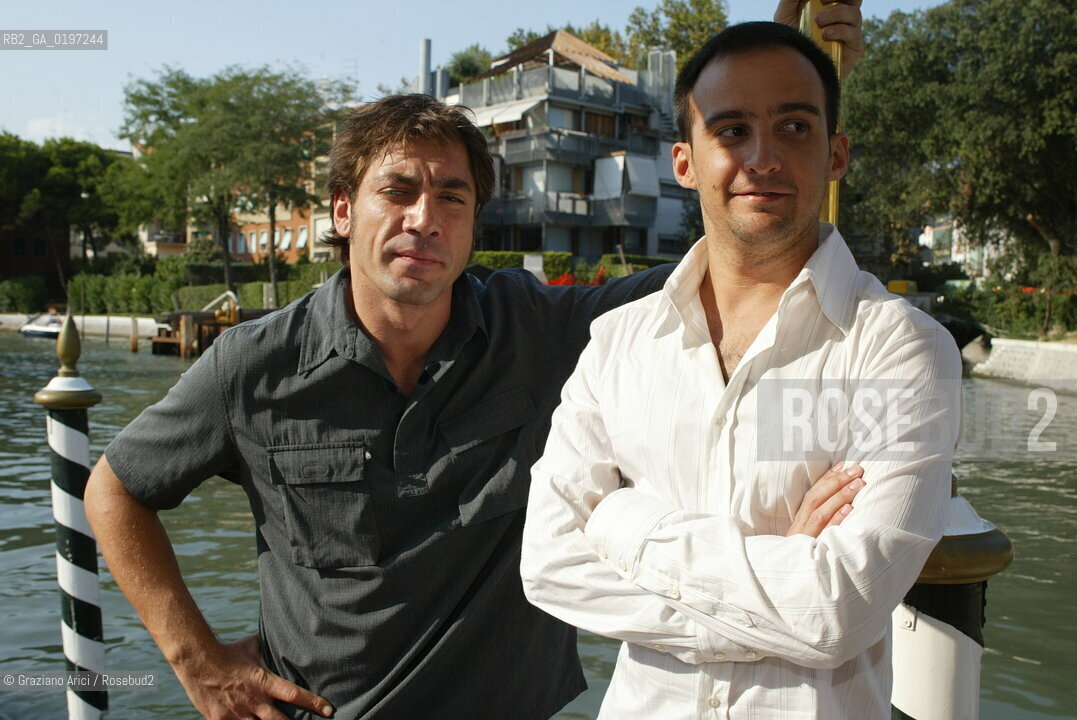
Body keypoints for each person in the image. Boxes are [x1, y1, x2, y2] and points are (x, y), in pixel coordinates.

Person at [84, 6, 867, 719]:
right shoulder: (252, 365)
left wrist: (789, 67)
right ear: (340, 210)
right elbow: (115, 489)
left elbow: (741, 251)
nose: (424, 218)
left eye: (452, 197)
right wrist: (197, 658)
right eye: (397, 190)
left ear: (473, 221)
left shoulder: (542, 329)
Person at [520, 20, 962, 720]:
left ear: (835, 152)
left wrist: (620, 523)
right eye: (729, 131)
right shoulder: (618, 343)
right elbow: (547, 565)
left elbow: (839, 610)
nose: (761, 156)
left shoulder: (899, 349)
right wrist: (779, 570)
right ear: (684, 162)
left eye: (792, 127)